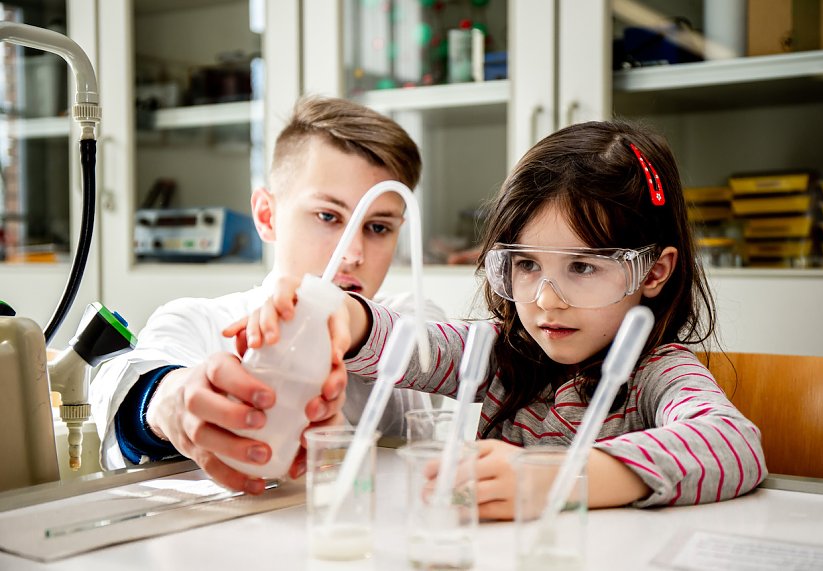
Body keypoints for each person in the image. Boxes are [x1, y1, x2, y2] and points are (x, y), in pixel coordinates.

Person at [242, 120, 767, 518]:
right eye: (526, 264)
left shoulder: (659, 372)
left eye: (582, 266)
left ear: (652, 272)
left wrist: (550, 480)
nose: (545, 300)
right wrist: (339, 314)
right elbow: (410, 343)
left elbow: (732, 444)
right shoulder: (499, 353)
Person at [91, 95, 443, 495]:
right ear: (266, 216)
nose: (353, 254)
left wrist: (338, 322)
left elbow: (429, 349)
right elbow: (131, 383)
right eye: (328, 217)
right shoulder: (199, 322)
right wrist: (170, 400)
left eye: (378, 227)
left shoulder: (408, 322)